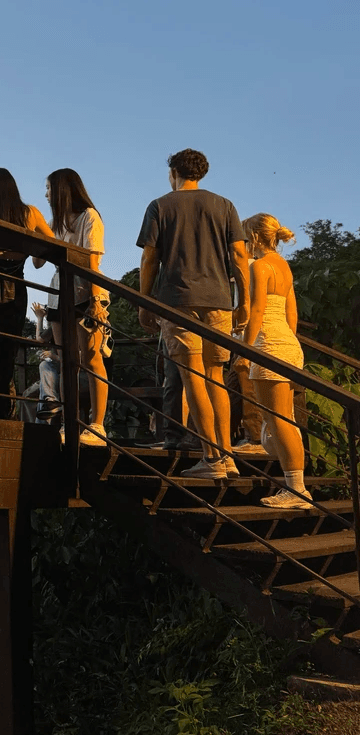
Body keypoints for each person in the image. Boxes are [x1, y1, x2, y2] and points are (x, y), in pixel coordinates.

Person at [136, 149, 249, 479]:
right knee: (215, 376)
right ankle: (226, 455)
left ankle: (211, 459)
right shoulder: (224, 205)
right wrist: (242, 300)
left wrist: (146, 302)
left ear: (174, 172)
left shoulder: (160, 205)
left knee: (193, 377)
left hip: (178, 300)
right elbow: (239, 257)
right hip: (219, 300)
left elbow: (149, 259)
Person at [239, 214, 310, 507]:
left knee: (279, 421)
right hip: (287, 344)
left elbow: (255, 311)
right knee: (283, 421)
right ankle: (294, 486)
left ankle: (297, 490)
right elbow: (291, 314)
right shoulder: (284, 266)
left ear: (254, 237)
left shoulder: (259, 266)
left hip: (268, 344)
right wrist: (288, 344)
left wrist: (244, 352)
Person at [38, 169, 111, 446]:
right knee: (65, 360)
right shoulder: (54, 224)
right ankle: (70, 423)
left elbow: (92, 263)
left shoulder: (89, 217)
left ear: (61, 190)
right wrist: (39, 232)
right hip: (58, 294)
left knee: (92, 359)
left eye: (48, 189)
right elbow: (37, 263)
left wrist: (95, 303)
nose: (45, 195)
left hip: (84, 292)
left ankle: (97, 425)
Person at [0, 170, 55, 419]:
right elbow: (51, 246)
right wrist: (31, 251)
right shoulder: (30, 213)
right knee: (7, 351)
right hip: (15, 287)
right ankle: (3, 411)